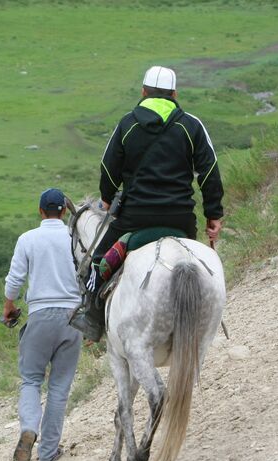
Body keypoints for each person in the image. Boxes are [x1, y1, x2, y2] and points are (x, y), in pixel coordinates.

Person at [70, 65, 225, 342]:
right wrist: (214, 214)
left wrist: (106, 198)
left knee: (96, 264)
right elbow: (210, 171)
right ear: (175, 94)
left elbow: (108, 168)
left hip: (135, 218)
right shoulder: (191, 125)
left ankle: (92, 318)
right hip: (181, 219)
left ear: (143, 92)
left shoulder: (127, 124)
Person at [3, 188, 83, 461]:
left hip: (39, 316)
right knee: (59, 388)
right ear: (63, 212)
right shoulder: (75, 237)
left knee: (31, 380)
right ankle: (48, 453)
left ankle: (29, 428)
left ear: (40, 211)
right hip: (72, 318)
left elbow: (14, 280)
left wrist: (8, 307)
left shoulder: (28, 239)